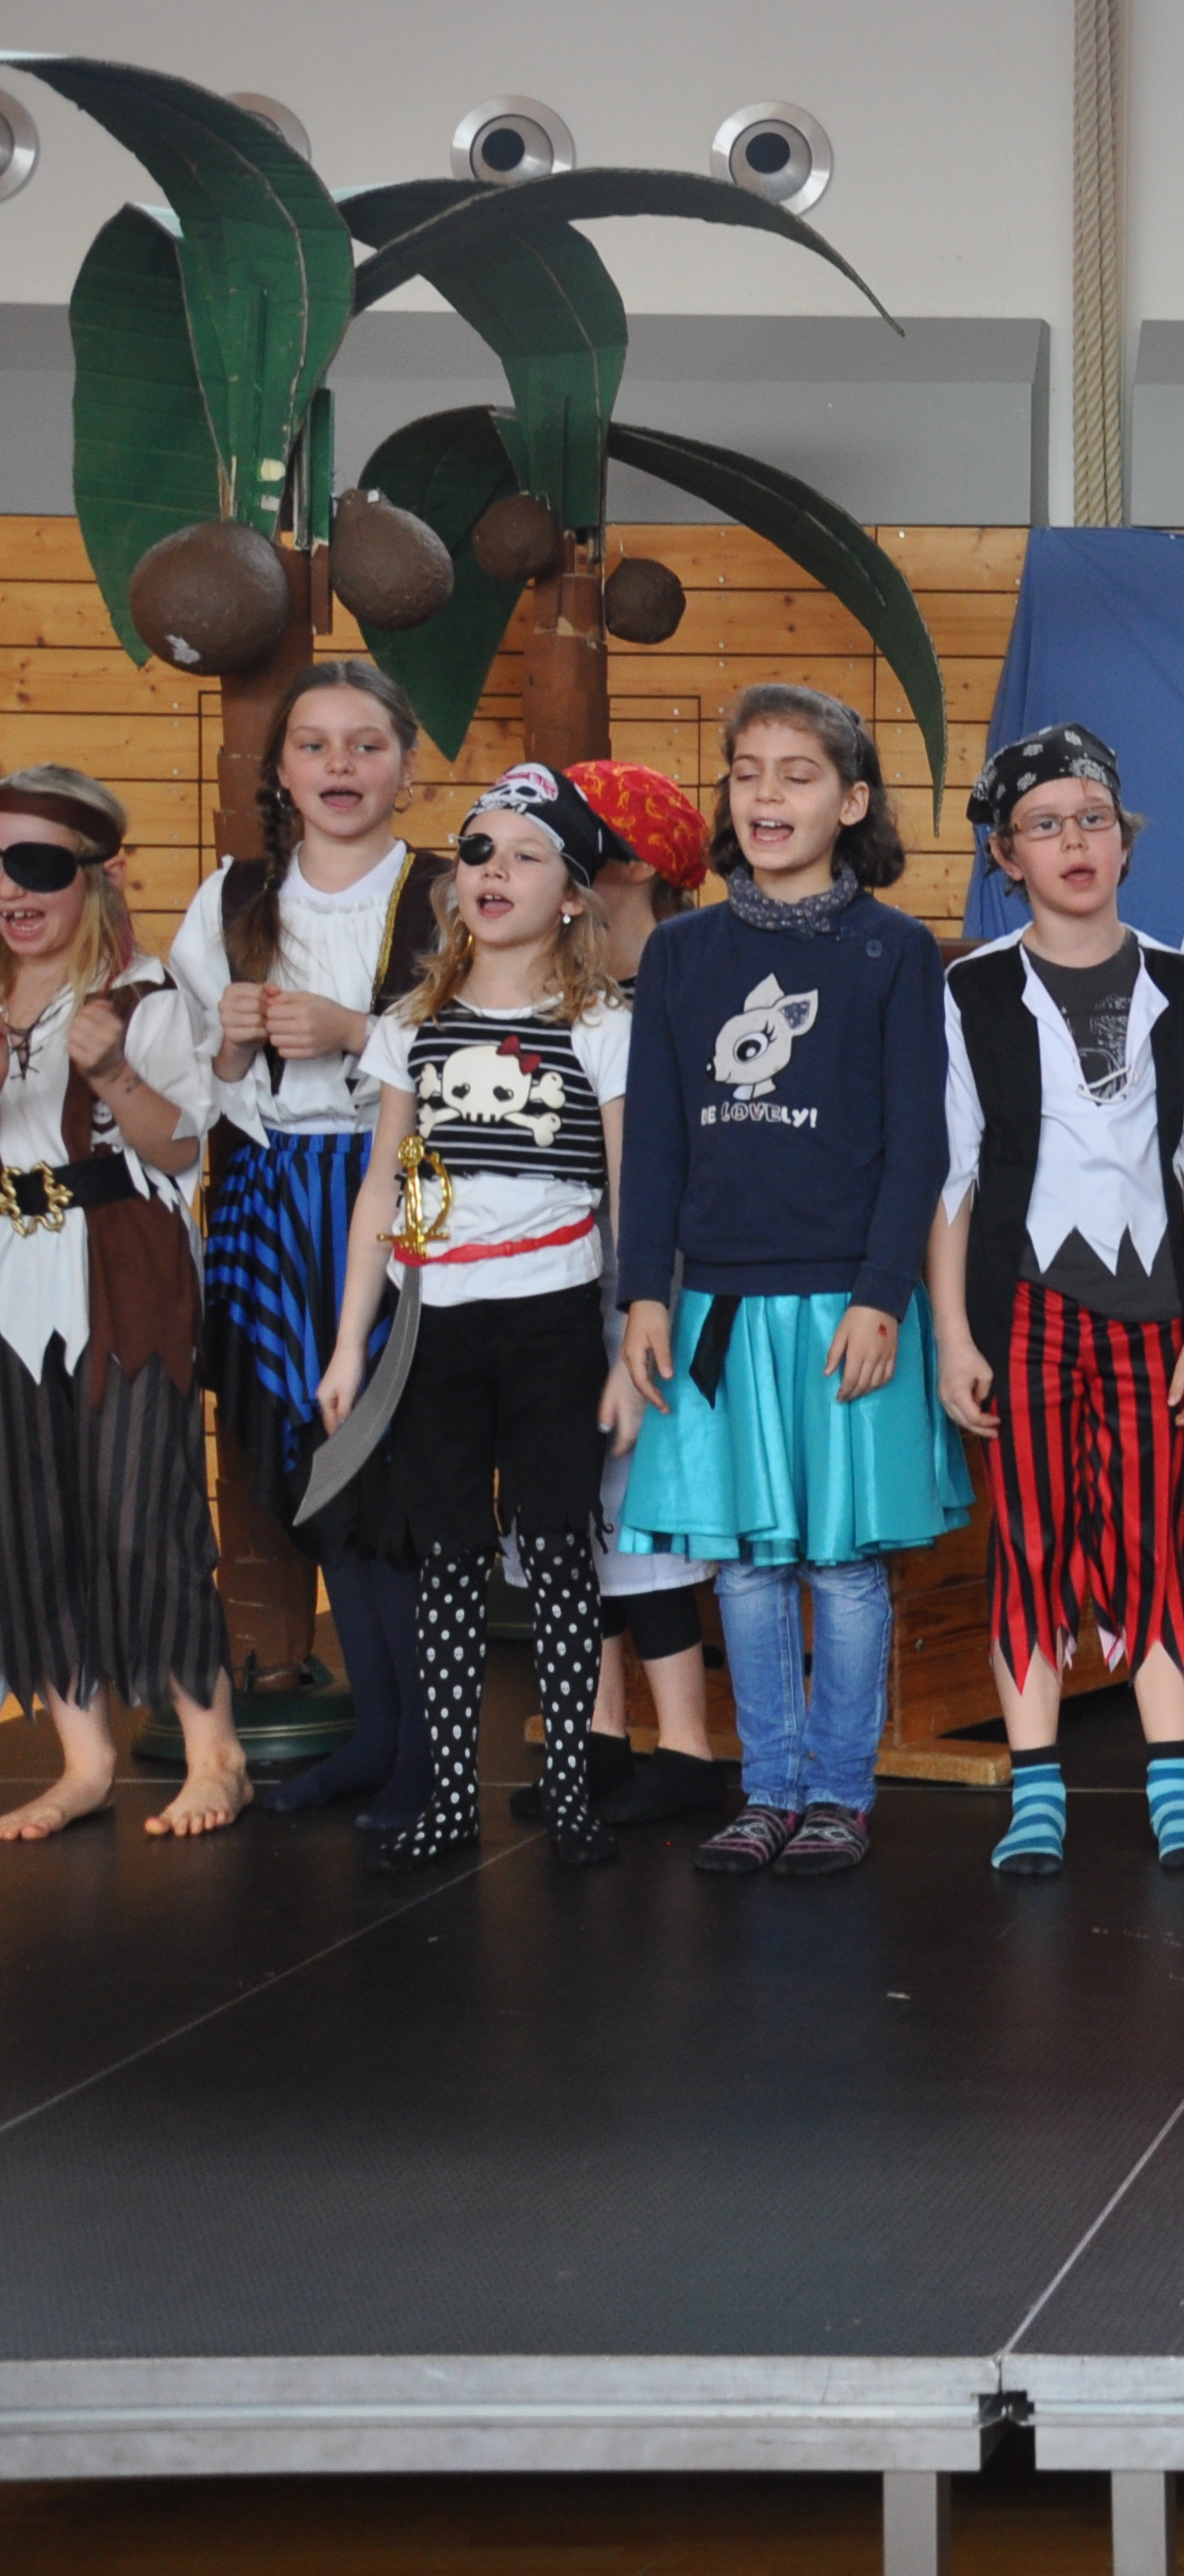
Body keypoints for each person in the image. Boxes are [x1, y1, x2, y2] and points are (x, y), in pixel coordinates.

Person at [618, 684, 970, 1881]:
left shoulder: (894, 950)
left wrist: (882, 1293)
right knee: (749, 1563)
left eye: (798, 773)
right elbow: (655, 1141)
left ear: (852, 801)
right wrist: (646, 1293)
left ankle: (838, 1793)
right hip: (715, 1305)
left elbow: (918, 1144)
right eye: (748, 772)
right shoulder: (680, 954)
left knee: (842, 1565)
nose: (767, 795)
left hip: (845, 1306)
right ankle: (766, 1788)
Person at [931, 724, 1184, 1876]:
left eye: (1093, 820)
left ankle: (1174, 1778)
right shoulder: (970, 990)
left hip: (1151, 1305)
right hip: (1022, 1305)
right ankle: (1036, 1788)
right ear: (1005, 855)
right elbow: (954, 1176)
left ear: (1125, 840)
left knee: (1152, 1534)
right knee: (1027, 1539)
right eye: (1043, 825)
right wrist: (954, 1333)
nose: (1073, 841)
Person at [316, 767, 635, 1871]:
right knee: (448, 1558)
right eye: (478, 851)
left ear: (574, 895)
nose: (494, 871)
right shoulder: (413, 1023)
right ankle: (451, 1794)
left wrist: (629, 1346)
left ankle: (571, 1787)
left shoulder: (601, 1023)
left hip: (552, 1320)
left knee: (556, 1553)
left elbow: (632, 1191)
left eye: (525, 855)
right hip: (435, 1322)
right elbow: (383, 1186)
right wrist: (350, 1342)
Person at [169, 661, 447, 1827]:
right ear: (280, 769)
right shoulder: (231, 898)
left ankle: (427, 1747)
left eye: (366, 743)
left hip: (401, 1192)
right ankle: (380, 1733)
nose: (340, 764)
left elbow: (492, 1054)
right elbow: (190, 1093)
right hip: (274, 1193)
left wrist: (357, 1031)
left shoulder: (448, 891)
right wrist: (233, 1045)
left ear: (406, 766)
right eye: (315, 744)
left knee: (399, 1465)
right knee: (315, 1468)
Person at [0, 768, 237, 1843]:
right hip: (13, 1276)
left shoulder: (143, 997)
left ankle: (215, 1754)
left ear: (99, 874)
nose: (12, 888)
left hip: (123, 1268)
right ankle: (84, 1759)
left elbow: (181, 1149)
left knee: (144, 1516)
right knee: (31, 1519)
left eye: (36, 864)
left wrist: (112, 1074)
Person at [515, 758, 726, 1829]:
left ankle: (686, 1745)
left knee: (646, 1511)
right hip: (541, 1275)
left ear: (634, 863)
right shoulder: (540, 990)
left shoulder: (683, 988)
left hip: (651, 1277)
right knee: (568, 1508)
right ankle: (595, 1734)